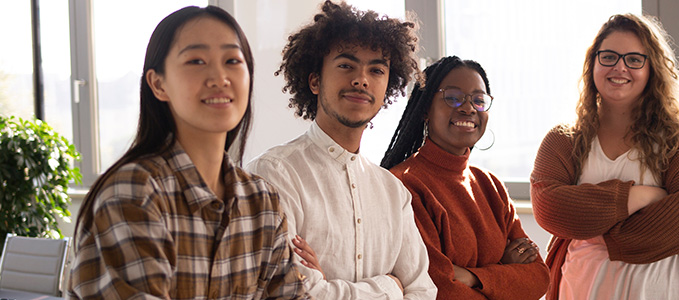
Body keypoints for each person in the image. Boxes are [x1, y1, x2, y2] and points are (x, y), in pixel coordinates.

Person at [68, 6, 309, 299]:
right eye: (196, 61)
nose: (220, 77)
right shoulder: (135, 193)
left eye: (232, 60)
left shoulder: (262, 201)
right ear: (159, 84)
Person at [530, 14, 679, 300]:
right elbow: (549, 207)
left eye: (634, 59)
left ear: (652, 68)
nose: (619, 67)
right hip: (582, 288)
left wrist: (595, 228)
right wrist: (641, 197)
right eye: (608, 57)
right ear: (592, 64)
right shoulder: (563, 139)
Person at [245, 1, 436, 298]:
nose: (361, 79)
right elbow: (295, 294)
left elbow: (423, 291)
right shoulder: (273, 174)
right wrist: (390, 287)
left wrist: (325, 286)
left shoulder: (392, 192)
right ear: (315, 80)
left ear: (388, 87)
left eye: (376, 70)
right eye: (346, 65)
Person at [381, 56, 550, 299]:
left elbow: (539, 278)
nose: (468, 108)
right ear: (426, 108)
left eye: (479, 100)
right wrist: (504, 272)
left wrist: (473, 277)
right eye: (452, 97)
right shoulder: (404, 185)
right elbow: (441, 290)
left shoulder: (491, 186)